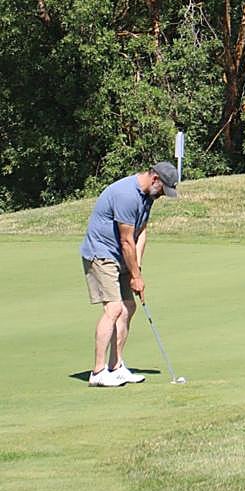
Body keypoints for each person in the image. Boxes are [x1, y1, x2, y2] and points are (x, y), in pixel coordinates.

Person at [79, 161, 178, 387]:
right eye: (164, 189)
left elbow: (141, 232)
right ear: (155, 179)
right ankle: (98, 372)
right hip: (102, 252)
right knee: (113, 308)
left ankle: (116, 366)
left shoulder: (147, 196)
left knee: (128, 307)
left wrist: (137, 270)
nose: (163, 195)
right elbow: (126, 240)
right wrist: (135, 276)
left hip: (123, 255)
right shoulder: (126, 195)